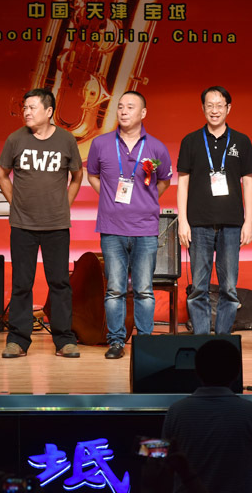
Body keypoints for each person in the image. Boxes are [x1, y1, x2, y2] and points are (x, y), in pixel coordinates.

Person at [0, 88, 83, 358]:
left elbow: (77, 176)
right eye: (25, 108)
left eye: (32, 107)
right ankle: (18, 340)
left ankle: (64, 339)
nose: (26, 112)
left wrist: (64, 205)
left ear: (49, 111)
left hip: (56, 225)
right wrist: (15, 203)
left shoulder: (66, 139)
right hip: (23, 225)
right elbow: (1, 173)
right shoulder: (15, 139)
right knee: (22, 283)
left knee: (60, 282)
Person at [86, 91, 172, 359]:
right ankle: (116, 342)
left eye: (130, 107)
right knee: (115, 289)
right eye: (120, 107)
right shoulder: (100, 143)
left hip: (145, 229)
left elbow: (164, 181)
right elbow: (92, 175)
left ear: (143, 113)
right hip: (112, 228)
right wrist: (109, 198)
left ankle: (145, 342)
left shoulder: (156, 147)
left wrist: (145, 201)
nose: (123, 111)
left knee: (144, 290)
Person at [176, 86, 252, 335]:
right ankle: (201, 338)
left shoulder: (241, 141)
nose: (214, 110)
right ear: (203, 108)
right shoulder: (190, 141)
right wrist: (183, 222)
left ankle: (223, 339)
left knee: (229, 288)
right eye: (209, 105)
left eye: (219, 105)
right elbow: (183, 183)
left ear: (228, 108)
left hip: (231, 224)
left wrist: (248, 222)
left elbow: (248, 182)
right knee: (198, 287)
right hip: (198, 224)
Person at [161, 339, 252, 493]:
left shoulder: (177, 411)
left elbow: (166, 461)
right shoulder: (251, 412)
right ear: (237, 373)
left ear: (196, 371)